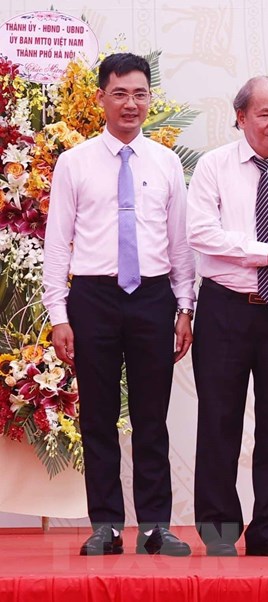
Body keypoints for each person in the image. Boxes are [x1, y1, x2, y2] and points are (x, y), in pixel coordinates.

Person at [43, 53, 195, 556]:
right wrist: (59, 314)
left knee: (154, 417)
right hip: (93, 298)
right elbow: (58, 244)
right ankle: (105, 525)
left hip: (152, 297)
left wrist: (184, 307)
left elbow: (179, 246)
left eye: (140, 94)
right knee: (98, 418)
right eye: (120, 94)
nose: (131, 104)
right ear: (101, 98)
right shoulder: (75, 161)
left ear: (149, 98)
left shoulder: (167, 162)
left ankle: (155, 526)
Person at [186, 76, 268, 557]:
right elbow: (202, 234)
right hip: (225, 309)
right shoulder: (214, 166)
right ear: (240, 118)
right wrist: (265, 251)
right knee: (219, 422)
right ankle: (218, 532)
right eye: (264, 113)